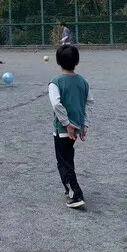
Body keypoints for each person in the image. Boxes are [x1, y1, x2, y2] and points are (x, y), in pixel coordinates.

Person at [49, 44, 94, 209]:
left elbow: (56, 105)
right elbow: (89, 103)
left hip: (63, 129)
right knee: (67, 157)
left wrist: (67, 124)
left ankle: (76, 193)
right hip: (77, 127)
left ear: (58, 62)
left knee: (63, 161)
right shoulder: (83, 81)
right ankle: (69, 188)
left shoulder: (56, 83)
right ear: (77, 62)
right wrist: (84, 124)